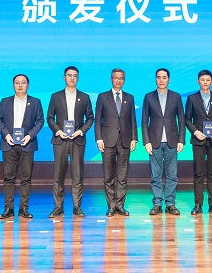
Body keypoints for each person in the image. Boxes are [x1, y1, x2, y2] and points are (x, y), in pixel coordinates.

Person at [45, 66, 94, 219]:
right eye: (69, 75)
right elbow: (50, 118)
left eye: (75, 76)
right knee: (58, 175)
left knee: (77, 175)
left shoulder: (84, 97)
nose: (72, 78)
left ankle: (77, 207)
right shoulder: (55, 96)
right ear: (64, 77)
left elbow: (90, 118)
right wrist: (58, 131)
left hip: (77, 140)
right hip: (60, 140)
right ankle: (58, 207)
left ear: (77, 78)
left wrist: (80, 131)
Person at [0, 74, 45, 219]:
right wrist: (6, 135)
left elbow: (40, 121)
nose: (20, 85)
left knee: (26, 178)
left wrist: (30, 135)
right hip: (8, 144)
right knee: (8, 178)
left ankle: (24, 208)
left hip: (27, 144)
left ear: (28, 85)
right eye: (17, 83)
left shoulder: (35, 102)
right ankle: (8, 208)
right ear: (13, 85)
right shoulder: (5, 101)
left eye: (23, 83)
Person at [141, 68, 185, 216]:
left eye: (164, 77)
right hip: (154, 142)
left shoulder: (176, 96)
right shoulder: (148, 97)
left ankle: (170, 204)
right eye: (159, 77)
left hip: (172, 141)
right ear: (155, 79)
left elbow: (181, 119)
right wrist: (146, 141)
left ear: (169, 79)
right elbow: (144, 120)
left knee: (172, 175)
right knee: (156, 175)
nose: (161, 80)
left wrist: (181, 140)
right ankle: (157, 203)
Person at [96, 68, 138, 217]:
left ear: (124, 80)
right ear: (111, 79)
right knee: (108, 176)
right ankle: (111, 206)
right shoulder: (103, 97)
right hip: (107, 140)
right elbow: (98, 119)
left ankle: (120, 205)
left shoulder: (130, 98)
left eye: (121, 78)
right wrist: (99, 139)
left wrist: (134, 138)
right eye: (116, 78)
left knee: (122, 175)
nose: (118, 81)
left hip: (125, 140)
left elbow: (133, 119)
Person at [184, 70, 212, 215]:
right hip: (198, 140)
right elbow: (187, 119)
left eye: (208, 80)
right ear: (198, 81)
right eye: (202, 80)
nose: (205, 82)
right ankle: (198, 204)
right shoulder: (192, 98)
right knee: (199, 173)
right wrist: (195, 131)